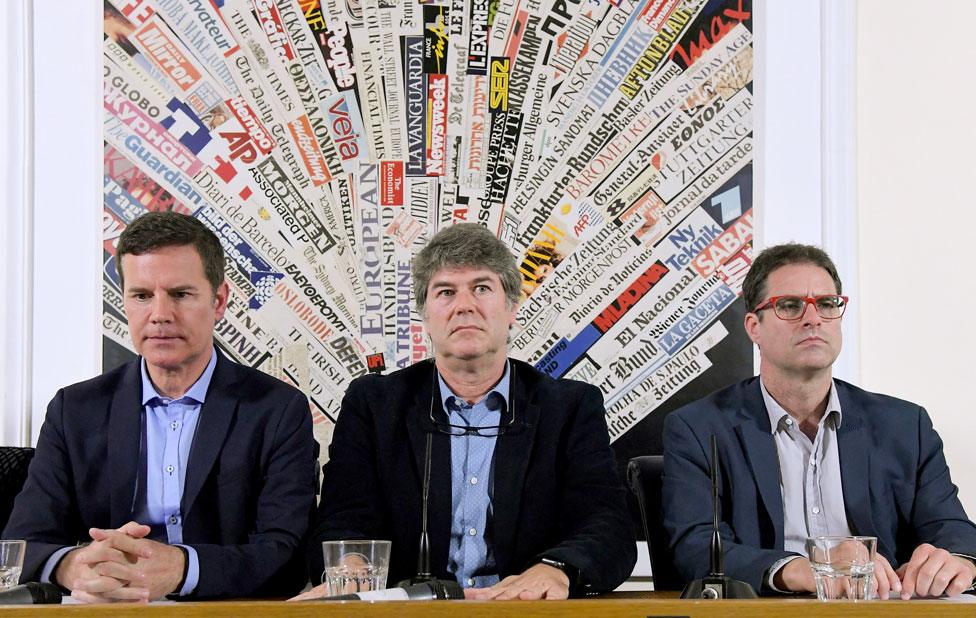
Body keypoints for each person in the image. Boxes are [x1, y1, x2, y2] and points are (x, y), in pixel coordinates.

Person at [298, 223, 635, 600]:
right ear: (425, 316)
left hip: (523, 614)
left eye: (482, 288)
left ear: (511, 309)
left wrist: (555, 569)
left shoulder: (570, 407)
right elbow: (341, 519)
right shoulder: (374, 404)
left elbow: (608, 526)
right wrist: (354, 565)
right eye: (445, 292)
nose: (464, 306)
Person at [4, 212, 318, 601]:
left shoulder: (276, 410)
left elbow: (287, 557)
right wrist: (75, 567)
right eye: (141, 296)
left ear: (219, 300)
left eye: (180, 294)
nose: (160, 315)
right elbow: (20, 545)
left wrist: (181, 569)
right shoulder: (75, 409)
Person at [662, 243, 976, 598]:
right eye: (790, 306)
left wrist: (957, 561)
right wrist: (802, 569)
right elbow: (695, 547)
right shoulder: (701, 428)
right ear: (754, 327)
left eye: (827, 304)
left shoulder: (905, 426)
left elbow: (953, 530)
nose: (813, 318)